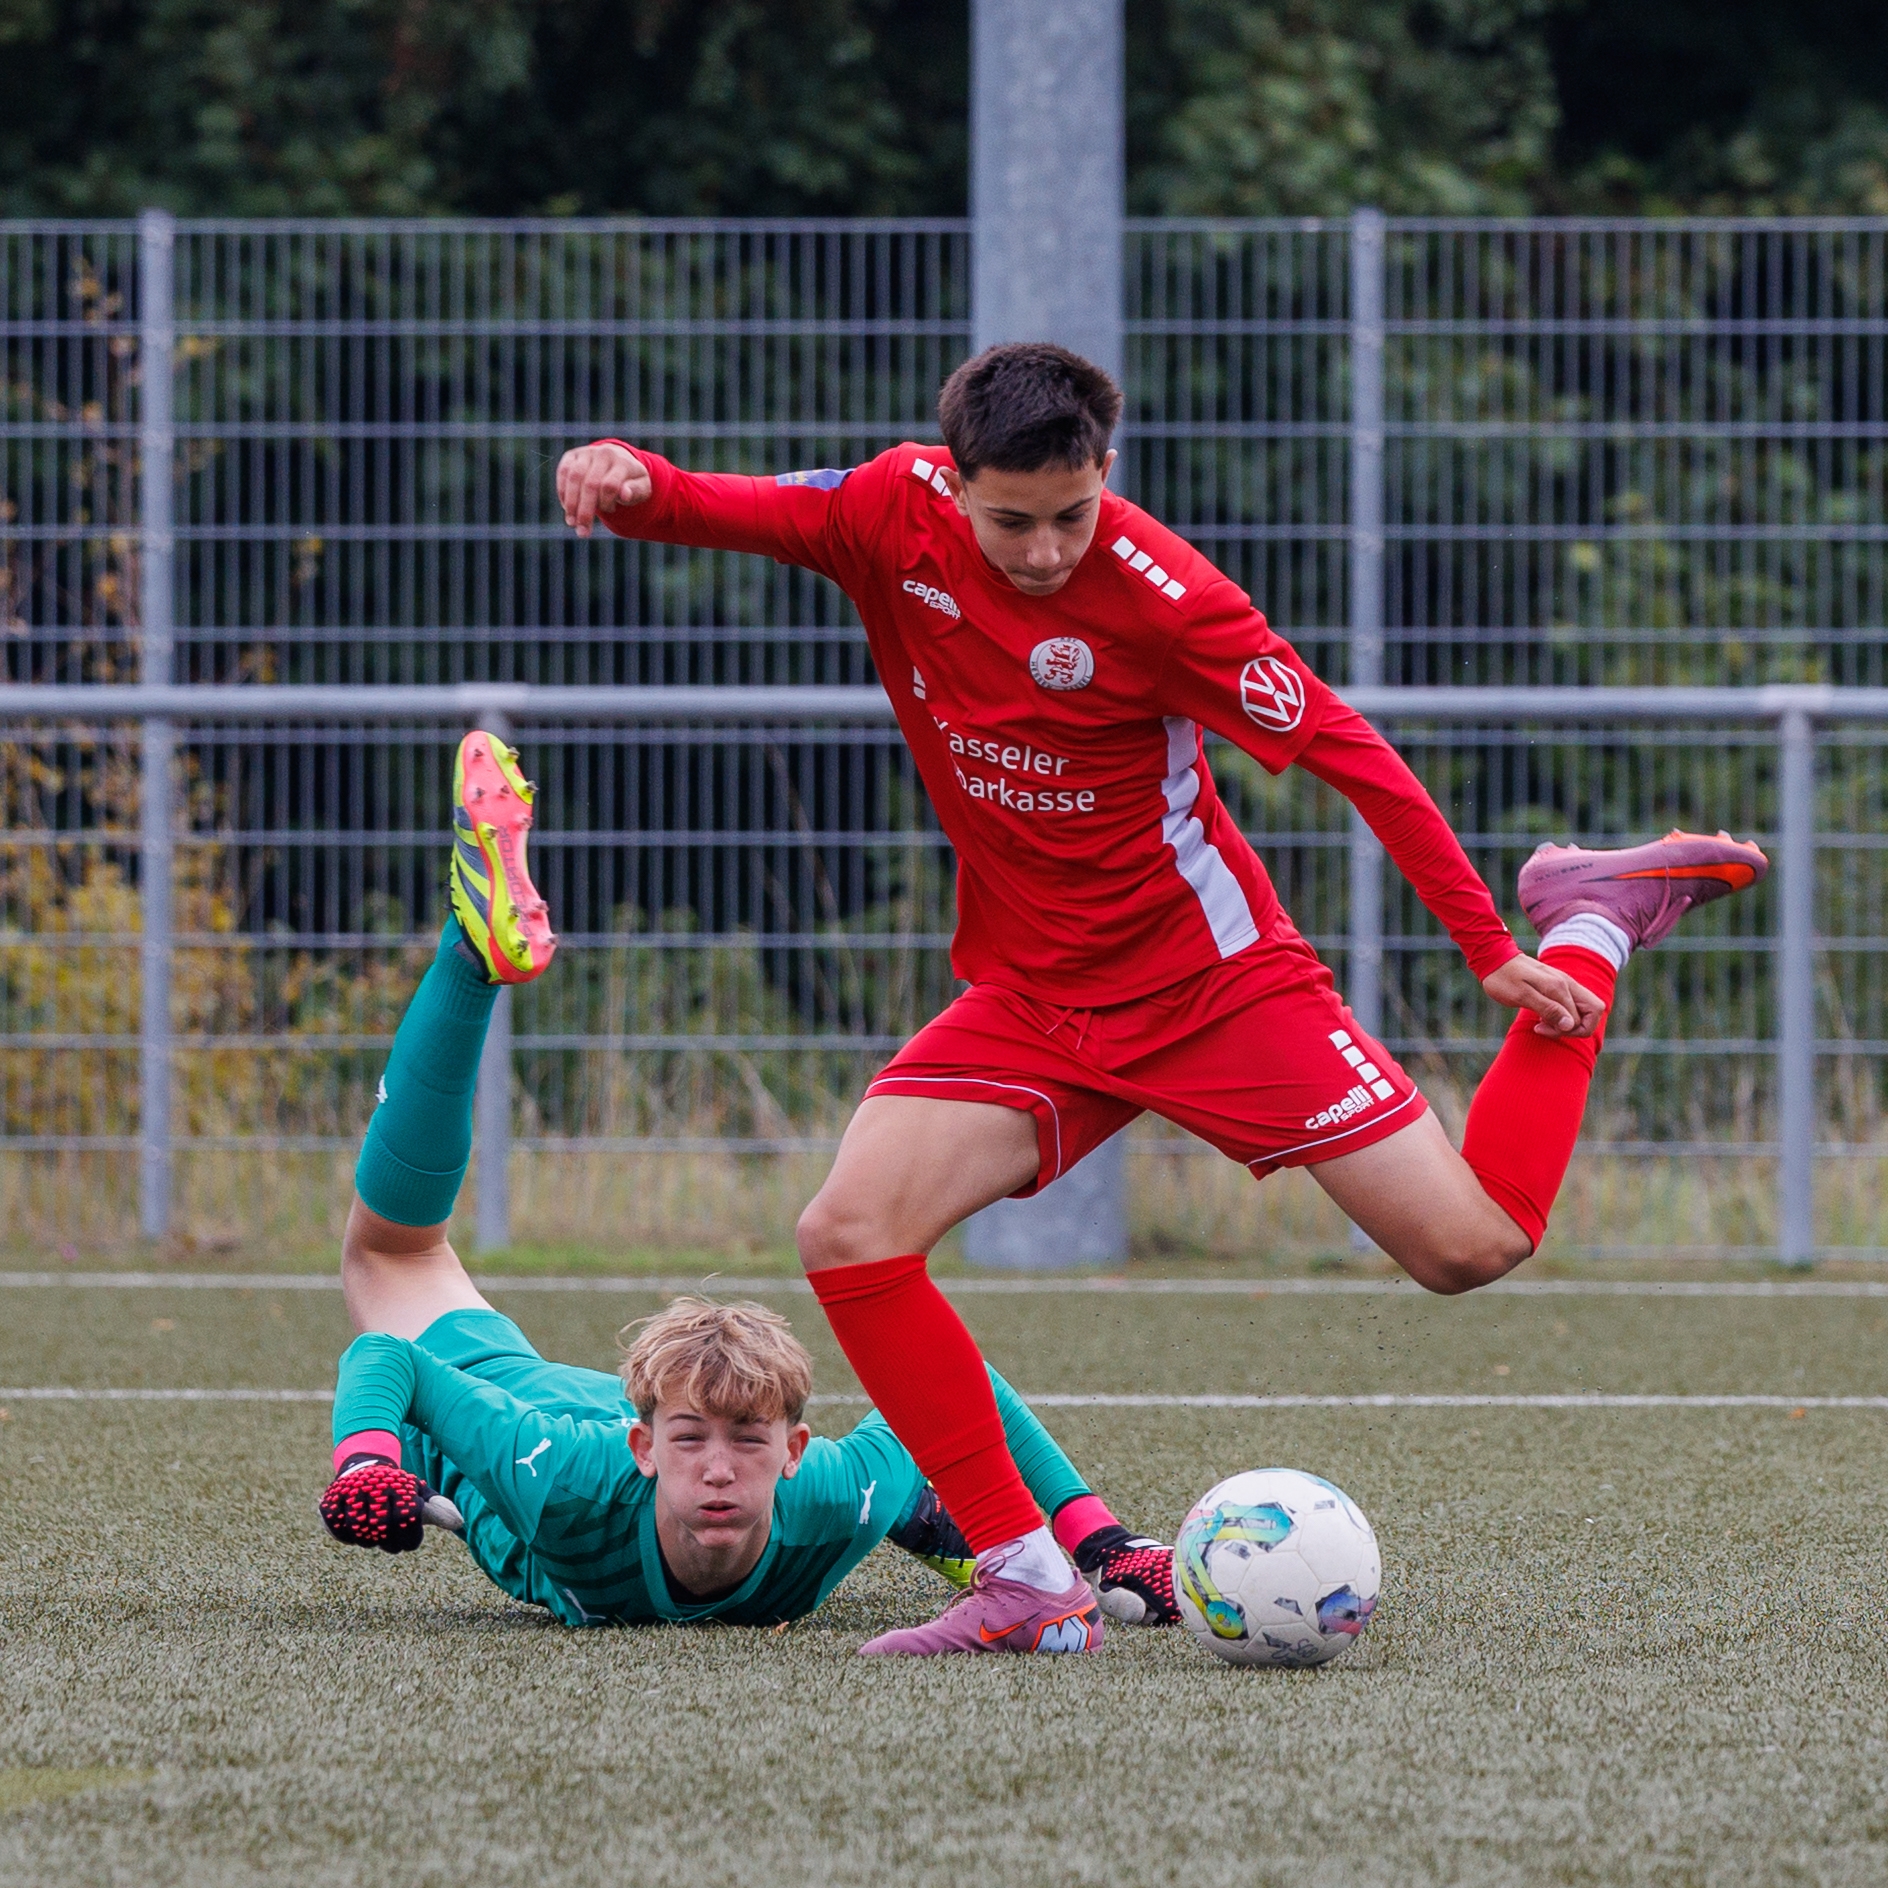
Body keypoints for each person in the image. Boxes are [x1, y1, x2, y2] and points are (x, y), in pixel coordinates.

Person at [554, 342, 1768, 1655]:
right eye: (1011, 521)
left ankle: (1591, 920)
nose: (1042, 550)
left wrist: (1488, 944)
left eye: (1072, 514)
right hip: (1034, 996)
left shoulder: (1167, 599)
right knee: (849, 1231)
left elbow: (1353, 754)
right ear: (952, 482)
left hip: (1212, 987)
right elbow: (718, 507)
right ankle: (1023, 1573)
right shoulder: (887, 511)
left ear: (1107, 472)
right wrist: (630, 480)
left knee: (1471, 1247)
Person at [317, 731, 1178, 1646]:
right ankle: (469, 955)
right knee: (393, 1253)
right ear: (647, 1450)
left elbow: (973, 1387)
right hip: (515, 1401)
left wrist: (1109, 1546)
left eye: (748, 1443)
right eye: (692, 1444)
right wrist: (368, 1463)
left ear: (794, 1451)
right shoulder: (559, 1472)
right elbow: (389, 1362)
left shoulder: (832, 1496)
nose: (720, 1473)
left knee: (400, 1252)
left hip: (647, 1418)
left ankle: (940, 1526)